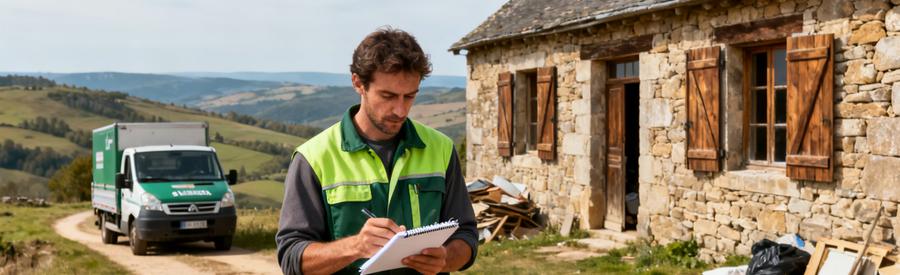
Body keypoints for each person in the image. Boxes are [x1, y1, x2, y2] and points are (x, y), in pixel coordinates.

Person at [276, 27, 477, 275]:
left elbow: (467, 235)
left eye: (410, 96)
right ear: (358, 83)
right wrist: (356, 246)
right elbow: (292, 259)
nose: (401, 110)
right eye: (388, 96)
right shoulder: (313, 158)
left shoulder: (442, 149)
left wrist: (446, 258)